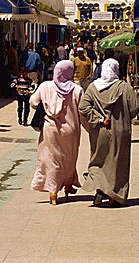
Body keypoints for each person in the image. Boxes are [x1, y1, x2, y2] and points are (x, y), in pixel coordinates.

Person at [79, 58, 139, 207]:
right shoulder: (125, 87)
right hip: (120, 131)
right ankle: (115, 196)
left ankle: (100, 188)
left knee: (98, 161)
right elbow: (134, 109)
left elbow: (83, 106)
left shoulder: (93, 87)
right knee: (118, 163)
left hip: (99, 131)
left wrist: (98, 118)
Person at [30, 60, 84, 205]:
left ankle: (53, 191)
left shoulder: (45, 86)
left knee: (51, 159)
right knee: (69, 158)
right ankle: (68, 184)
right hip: (71, 131)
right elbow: (82, 112)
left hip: (50, 130)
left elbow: (33, 102)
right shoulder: (77, 89)